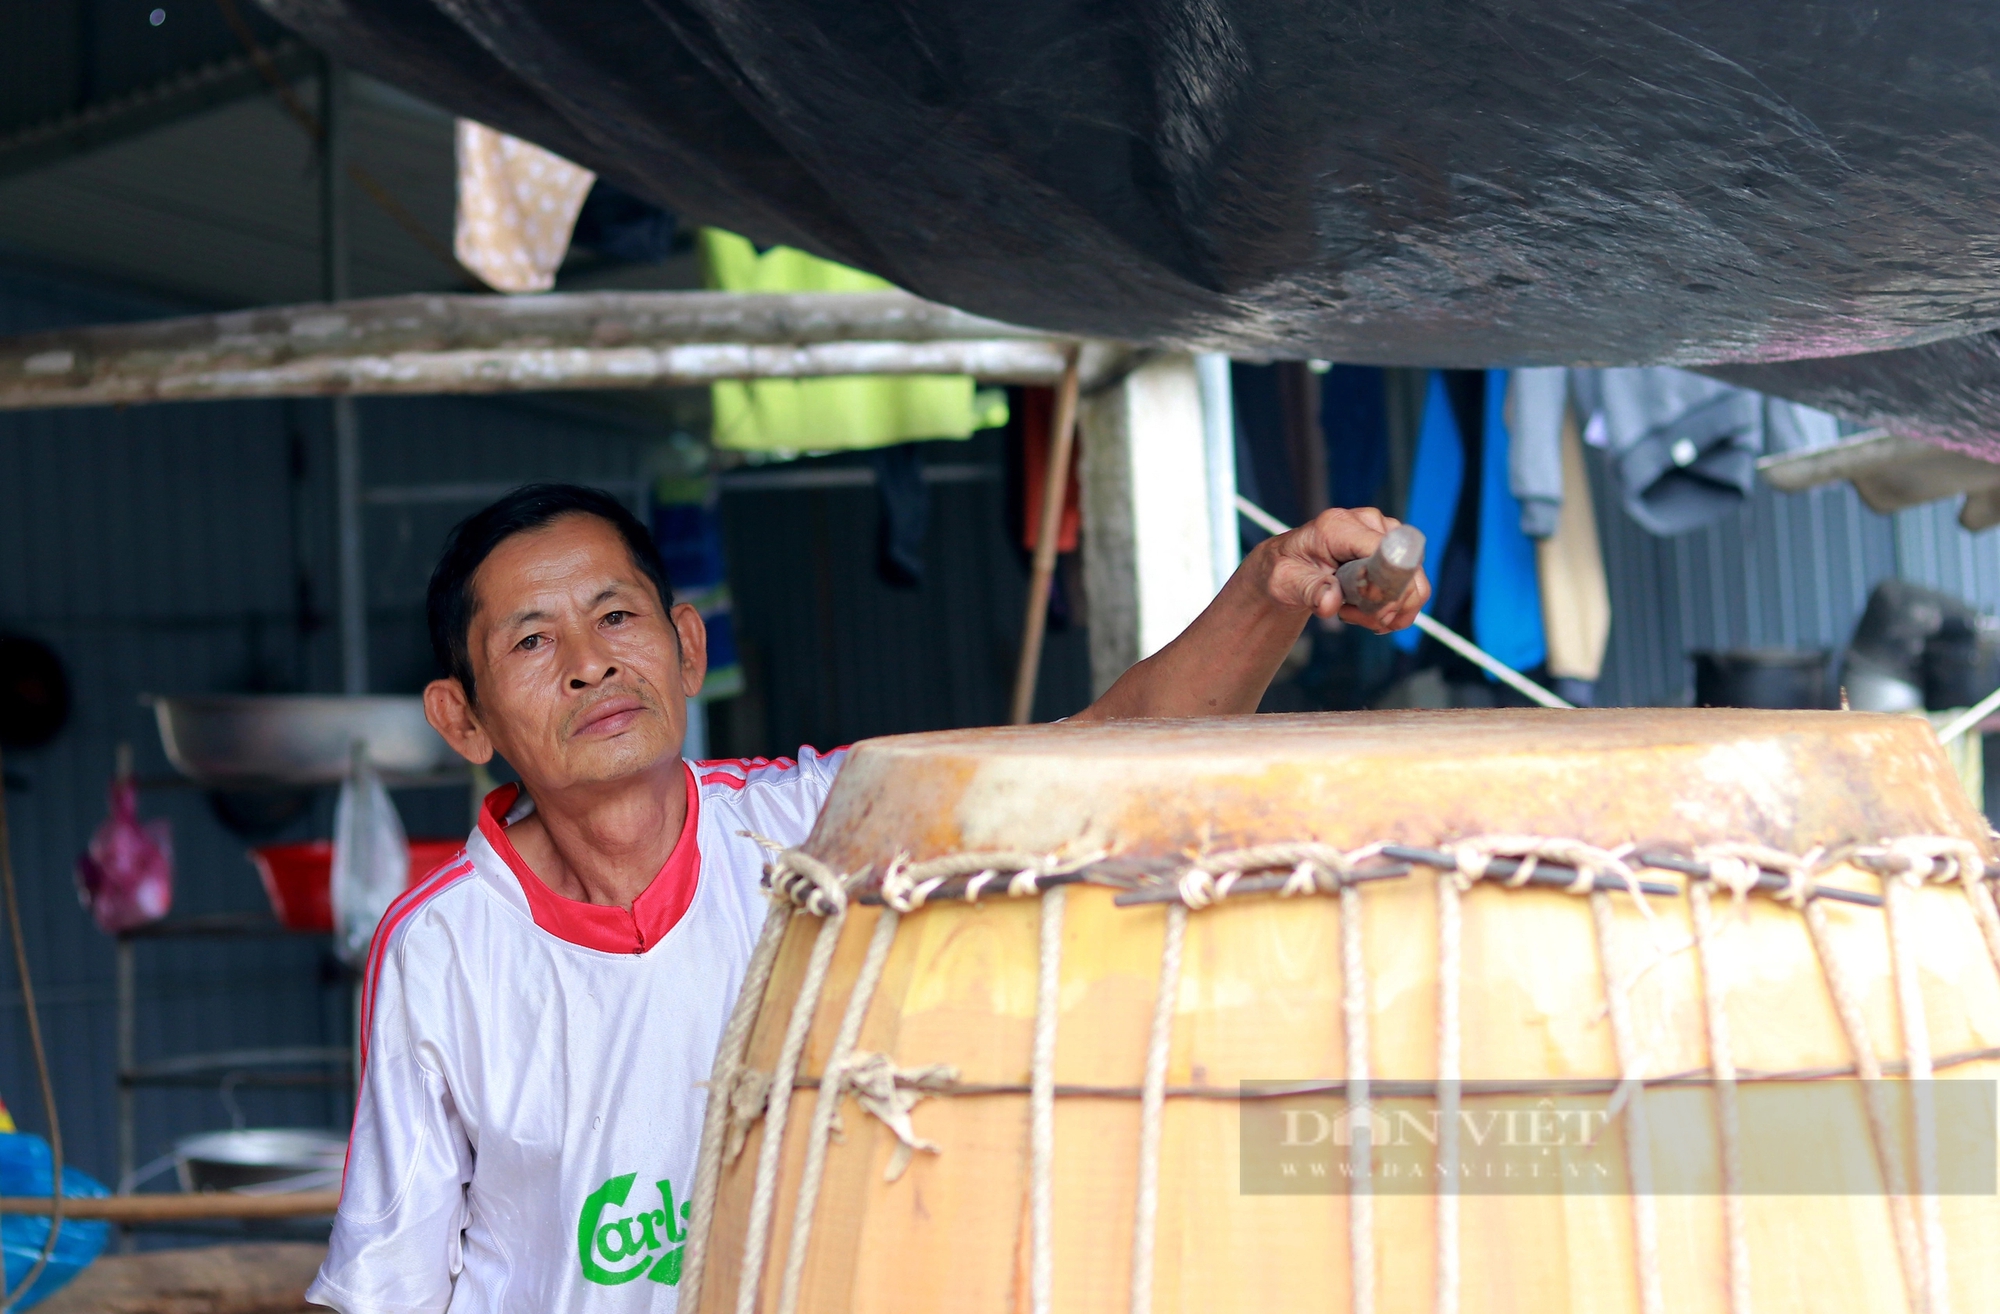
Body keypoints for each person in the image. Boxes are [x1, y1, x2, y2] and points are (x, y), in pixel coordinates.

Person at [307, 483, 1426, 1313]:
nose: (591, 664)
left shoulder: (813, 829)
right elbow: (391, 1282)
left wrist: (1269, 586)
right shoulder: (442, 948)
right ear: (463, 720)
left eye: (615, 618)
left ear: (686, 646)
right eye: (532, 641)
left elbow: (1089, 761)